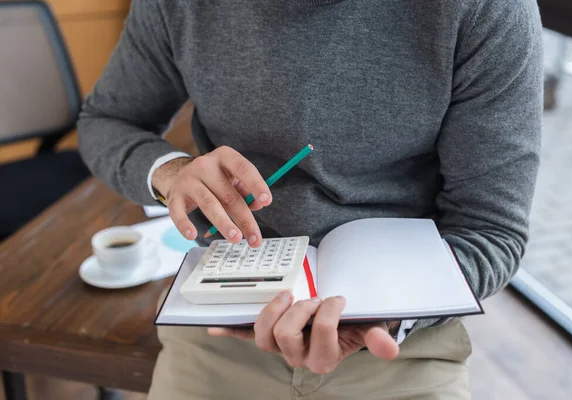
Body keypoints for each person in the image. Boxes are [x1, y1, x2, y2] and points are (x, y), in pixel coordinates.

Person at [77, 0, 543, 398]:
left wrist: (384, 317)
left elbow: (490, 230)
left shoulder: (484, 9)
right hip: (219, 326)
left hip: (402, 344)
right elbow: (107, 120)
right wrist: (171, 172)